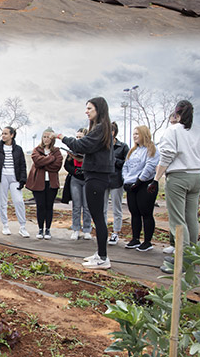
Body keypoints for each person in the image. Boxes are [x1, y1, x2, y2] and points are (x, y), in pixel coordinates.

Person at [151, 100, 200, 274]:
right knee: (191, 217)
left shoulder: (173, 131)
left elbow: (167, 155)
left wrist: (156, 179)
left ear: (177, 114)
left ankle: (182, 260)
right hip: (196, 177)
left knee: (177, 219)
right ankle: (191, 255)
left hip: (178, 177)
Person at [57, 97, 114, 270]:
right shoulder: (100, 129)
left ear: (99, 109)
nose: (86, 111)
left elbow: (81, 144)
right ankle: (100, 253)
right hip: (95, 176)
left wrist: (62, 137)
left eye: (89, 108)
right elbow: (90, 149)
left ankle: (103, 258)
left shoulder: (101, 128)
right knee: (97, 216)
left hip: (96, 178)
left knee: (98, 218)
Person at [122, 126, 160, 252]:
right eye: (133, 134)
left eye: (137, 134)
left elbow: (150, 166)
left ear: (144, 134)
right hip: (131, 184)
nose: (135, 136)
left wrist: (139, 181)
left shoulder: (151, 149)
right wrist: (126, 180)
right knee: (134, 212)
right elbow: (125, 166)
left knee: (146, 212)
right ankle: (135, 238)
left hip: (145, 184)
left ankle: (147, 241)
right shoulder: (133, 150)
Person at [0, 126, 29, 237]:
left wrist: (22, 179)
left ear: (12, 135)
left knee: (18, 201)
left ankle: (22, 227)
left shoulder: (18, 149)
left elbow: (23, 165)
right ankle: (5, 226)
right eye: (2, 133)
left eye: (6, 133)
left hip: (15, 178)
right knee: (3, 202)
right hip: (2, 177)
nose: (3, 135)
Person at [26, 127, 63, 239]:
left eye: (49, 137)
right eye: (44, 137)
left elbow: (57, 166)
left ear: (53, 139)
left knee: (49, 206)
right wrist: (51, 159)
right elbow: (37, 162)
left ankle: (48, 230)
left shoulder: (56, 151)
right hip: (38, 183)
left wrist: (45, 162)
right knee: (40, 206)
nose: (46, 139)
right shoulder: (36, 149)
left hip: (51, 184)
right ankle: (40, 229)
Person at [64, 128, 93, 240]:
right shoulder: (72, 150)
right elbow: (66, 165)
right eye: (77, 137)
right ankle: (75, 229)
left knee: (86, 206)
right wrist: (75, 170)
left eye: (80, 137)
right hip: (75, 179)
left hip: (87, 179)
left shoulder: (90, 151)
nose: (78, 139)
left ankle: (87, 229)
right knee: (76, 206)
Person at [104, 122, 129, 246]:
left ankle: (115, 232)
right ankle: (102, 232)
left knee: (116, 208)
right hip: (103, 180)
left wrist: (114, 161)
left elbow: (127, 163)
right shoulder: (103, 146)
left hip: (116, 180)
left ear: (113, 132)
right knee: (102, 208)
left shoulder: (123, 146)